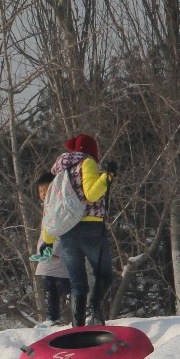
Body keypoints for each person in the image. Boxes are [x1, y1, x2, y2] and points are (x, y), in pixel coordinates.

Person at [47, 133, 115, 326]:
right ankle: (94, 312)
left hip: (67, 231)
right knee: (105, 274)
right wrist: (107, 177)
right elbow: (92, 194)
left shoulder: (60, 172)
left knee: (78, 282)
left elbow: (51, 206)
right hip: (91, 227)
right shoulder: (87, 163)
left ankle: (77, 326)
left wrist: (48, 238)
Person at [30, 173, 72, 325]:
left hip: (57, 253)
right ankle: (52, 318)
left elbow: (63, 230)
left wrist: (54, 251)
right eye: (41, 191)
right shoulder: (47, 207)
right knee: (49, 287)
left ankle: (78, 314)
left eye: (46, 189)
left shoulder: (60, 206)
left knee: (64, 286)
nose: (43, 194)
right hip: (47, 254)